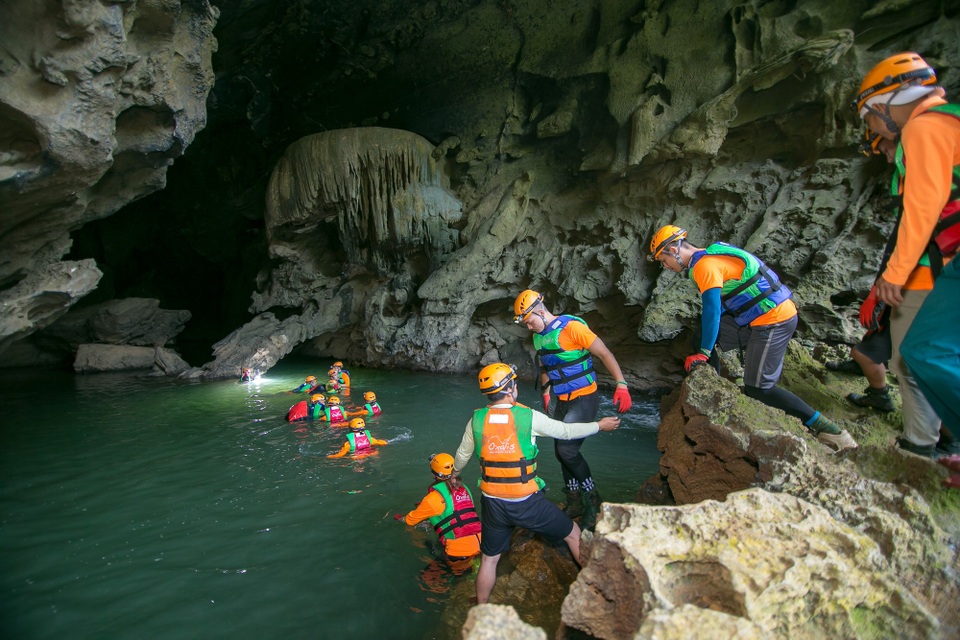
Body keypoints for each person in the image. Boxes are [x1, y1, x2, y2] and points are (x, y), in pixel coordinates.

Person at [647, 225, 857, 452]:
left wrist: (704, 353)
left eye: (663, 260)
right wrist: (704, 347)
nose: (665, 267)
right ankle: (715, 391)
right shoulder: (712, 253)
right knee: (700, 335)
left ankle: (829, 430)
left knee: (759, 388)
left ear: (673, 249)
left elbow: (712, 311)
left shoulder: (705, 266)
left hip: (774, 320)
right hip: (751, 318)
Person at [853, 52, 960, 456]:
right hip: (945, 266)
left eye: (869, 120)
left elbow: (923, 206)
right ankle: (937, 441)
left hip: (937, 270)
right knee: (925, 354)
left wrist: (893, 275)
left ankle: (922, 446)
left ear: (884, 106)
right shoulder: (949, 120)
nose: (875, 133)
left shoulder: (925, 127)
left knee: (918, 354)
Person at [452, 362, 621, 604]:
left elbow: (461, 456)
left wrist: (454, 474)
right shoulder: (528, 417)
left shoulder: (476, 419)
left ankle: (481, 607)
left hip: (492, 503)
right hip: (525, 502)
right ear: (511, 388)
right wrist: (599, 426)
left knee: (490, 559)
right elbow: (566, 431)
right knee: (573, 534)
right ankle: (596, 592)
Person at [512, 289, 632, 530]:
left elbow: (604, 353)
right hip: (563, 398)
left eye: (529, 321)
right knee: (560, 451)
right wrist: (546, 392)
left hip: (584, 398)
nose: (529, 327)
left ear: (539, 310)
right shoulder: (539, 337)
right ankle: (574, 501)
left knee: (567, 450)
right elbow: (547, 364)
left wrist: (621, 384)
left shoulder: (571, 328)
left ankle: (593, 501)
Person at [398, 453, 482, 575]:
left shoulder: (432, 499)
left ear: (433, 474)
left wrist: (399, 518)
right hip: (482, 543)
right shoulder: (464, 489)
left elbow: (410, 521)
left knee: (426, 578)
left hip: (460, 553)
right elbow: (458, 512)